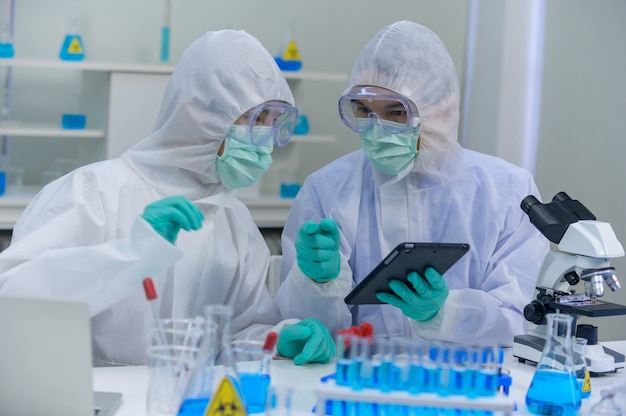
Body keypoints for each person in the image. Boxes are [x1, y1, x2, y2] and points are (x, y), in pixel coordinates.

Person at [0, 29, 334, 366]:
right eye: (257, 118)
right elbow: (13, 300)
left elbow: (236, 335)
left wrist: (276, 340)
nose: (266, 139)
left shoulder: (235, 220)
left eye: (275, 122)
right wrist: (128, 256)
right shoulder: (92, 192)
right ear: (201, 113)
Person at [275, 20, 550, 347]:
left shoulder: (507, 192)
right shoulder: (326, 189)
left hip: (471, 385)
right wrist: (317, 283)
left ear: (441, 112)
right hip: (359, 382)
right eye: (364, 110)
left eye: (395, 112)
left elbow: (522, 317)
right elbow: (303, 331)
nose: (377, 129)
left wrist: (446, 313)